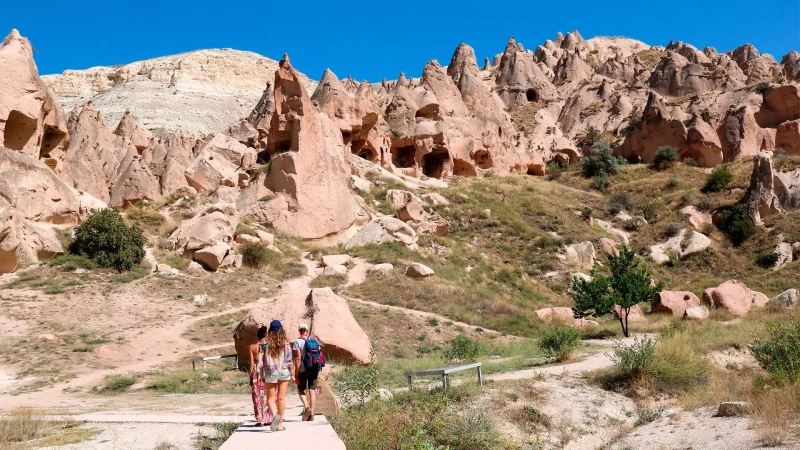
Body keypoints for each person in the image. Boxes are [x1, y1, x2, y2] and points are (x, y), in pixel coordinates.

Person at [262, 319, 294, 432]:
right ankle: (280, 424)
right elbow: (290, 360)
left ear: (270, 330)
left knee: (270, 399)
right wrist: (293, 374)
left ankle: (275, 415)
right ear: (281, 330)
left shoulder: (266, 344)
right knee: (281, 398)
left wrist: (262, 374)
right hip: (284, 372)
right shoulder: (286, 344)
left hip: (271, 372)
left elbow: (263, 360)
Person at [292, 323, 319, 421]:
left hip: (303, 370)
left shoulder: (297, 342)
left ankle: (306, 406)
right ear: (307, 331)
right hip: (314, 369)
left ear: (299, 331)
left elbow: (298, 359)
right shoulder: (314, 341)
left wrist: (296, 373)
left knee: (300, 389)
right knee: (312, 390)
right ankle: (312, 415)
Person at [248, 326, 272, 426]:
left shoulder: (252, 347)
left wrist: (250, 377)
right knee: (268, 395)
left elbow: (251, 364)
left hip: (257, 372)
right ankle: (268, 418)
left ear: (257, 335)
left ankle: (260, 419)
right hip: (267, 372)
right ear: (266, 335)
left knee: (257, 396)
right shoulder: (269, 346)